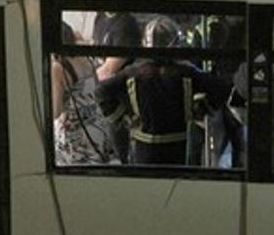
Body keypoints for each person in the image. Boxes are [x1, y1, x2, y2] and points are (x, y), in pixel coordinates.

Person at [96, 18, 227, 165]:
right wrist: (200, 108)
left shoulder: (133, 72)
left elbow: (101, 91)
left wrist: (122, 117)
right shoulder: (187, 72)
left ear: (146, 44)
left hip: (143, 149)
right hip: (178, 148)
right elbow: (220, 89)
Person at [52, 23, 112, 165]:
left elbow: (55, 111)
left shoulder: (58, 67)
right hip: (97, 128)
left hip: (75, 136)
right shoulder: (86, 56)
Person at [92, 12, 142, 162]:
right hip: (102, 97)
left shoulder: (127, 24)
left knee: (118, 153)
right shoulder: (100, 17)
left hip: (119, 101)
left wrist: (82, 79)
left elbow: (109, 69)